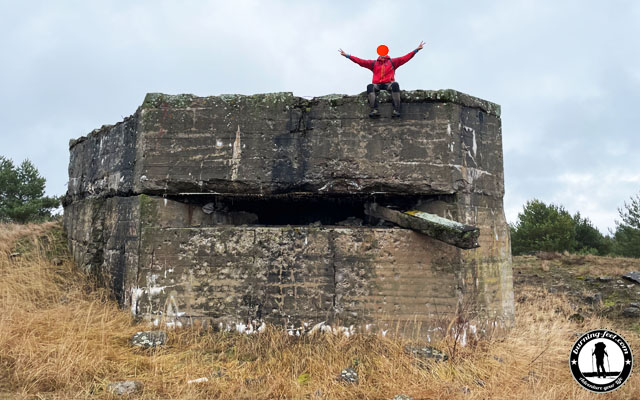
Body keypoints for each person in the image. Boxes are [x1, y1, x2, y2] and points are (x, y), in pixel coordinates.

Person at [339, 41, 425, 118]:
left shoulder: (392, 62)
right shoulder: (374, 63)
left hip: (389, 84)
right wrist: (347, 56)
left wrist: (416, 50)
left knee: (395, 85)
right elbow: (361, 61)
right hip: (377, 84)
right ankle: (374, 110)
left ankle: (396, 110)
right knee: (370, 87)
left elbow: (405, 58)